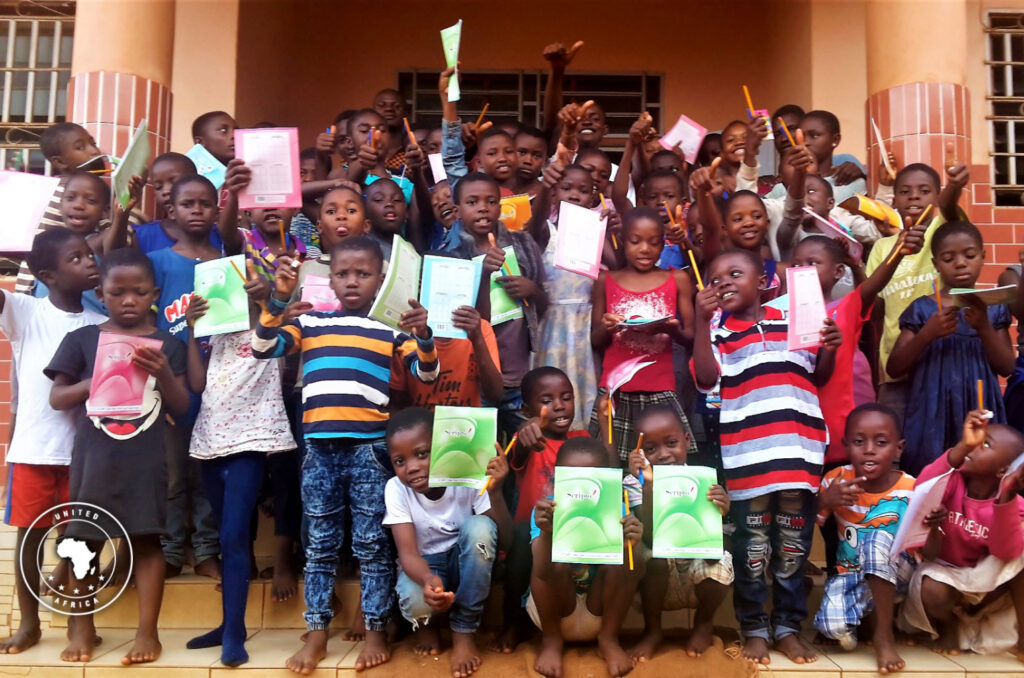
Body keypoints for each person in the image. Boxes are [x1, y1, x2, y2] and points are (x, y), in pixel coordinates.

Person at [252, 235, 439, 674]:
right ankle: (317, 634)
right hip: (319, 450)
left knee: (372, 545)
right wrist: (278, 299)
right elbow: (262, 347)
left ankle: (375, 632)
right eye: (343, 273)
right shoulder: (309, 324)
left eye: (363, 273)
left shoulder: (390, 331)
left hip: (370, 451)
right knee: (319, 546)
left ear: (380, 280)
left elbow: (426, 374)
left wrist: (424, 336)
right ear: (330, 279)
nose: (352, 281)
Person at [691, 248, 841, 664]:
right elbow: (706, 378)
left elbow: (819, 373)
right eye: (715, 278)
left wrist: (830, 346)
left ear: (763, 283)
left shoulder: (795, 320)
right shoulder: (720, 334)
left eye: (734, 273)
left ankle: (788, 628)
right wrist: (702, 322)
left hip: (799, 453)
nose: (724, 282)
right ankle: (754, 628)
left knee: (793, 548)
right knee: (751, 550)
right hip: (748, 459)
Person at [46, 247, 190, 665]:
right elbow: (57, 398)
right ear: (100, 293)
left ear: (155, 294)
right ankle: (83, 627)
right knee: (83, 540)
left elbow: (182, 406)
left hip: (147, 461)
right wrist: (94, 381)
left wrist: (163, 372)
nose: (129, 301)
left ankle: (148, 632)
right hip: (95, 460)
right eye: (117, 293)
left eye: (139, 292)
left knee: (146, 542)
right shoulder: (82, 340)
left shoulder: (168, 344)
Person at [182, 262, 295, 667]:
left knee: (232, 535)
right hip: (211, 442)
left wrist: (268, 297)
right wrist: (192, 329)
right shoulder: (212, 337)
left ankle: (232, 634)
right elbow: (197, 384)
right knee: (232, 536)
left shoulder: (270, 330)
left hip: (251, 444)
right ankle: (232, 624)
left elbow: (276, 317)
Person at [0, 230, 105, 657]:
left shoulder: (99, 324)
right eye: (76, 258)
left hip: (84, 455)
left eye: (89, 254)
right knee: (30, 540)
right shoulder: (26, 312)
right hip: (33, 450)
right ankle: (29, 623)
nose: (90, 261)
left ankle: (83, 625)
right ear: (48, 276)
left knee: (82, 541)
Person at [148, 171, 244, 583]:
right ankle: (170, 550)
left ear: (217, 210)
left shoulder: (228, 262)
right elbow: (146, 322)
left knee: (208, 473)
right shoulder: (158, 262)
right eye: (188, 204)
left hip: (219, 382)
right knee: (171, 473)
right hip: (171, 382)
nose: (197, 210)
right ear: (171, 210)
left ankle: (206, 551)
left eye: (206, 203)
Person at [384, 407, 511, 678]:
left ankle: (464, 630)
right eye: (400, 461)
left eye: (422, 454)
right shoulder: (396, 488)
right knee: (416, 600)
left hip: (463, 563)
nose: (412, 467)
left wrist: (496, 492)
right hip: (425, 566)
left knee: (480, 528)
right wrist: (428, 579)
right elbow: (407, 555)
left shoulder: (468, 476)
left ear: (443, 447)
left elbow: (505, 541)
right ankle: (426, 626)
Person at [886, 221, 1014, 475]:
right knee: (931, 475)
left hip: (979, 404)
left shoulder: (994, 307)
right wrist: (927, 333)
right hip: (931, 410)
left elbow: (1007, 366)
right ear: (936, 264)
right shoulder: (923, 309)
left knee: (981, 475)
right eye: (948, 258)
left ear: (983, 256)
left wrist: (984, 328)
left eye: (969, 255)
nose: (960, 263)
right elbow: (894, 367)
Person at [899, 410, 1024, 656]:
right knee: (932, 589)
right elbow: (923, 485)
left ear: (1002, 471)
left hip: (982, 581)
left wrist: (1007, 497)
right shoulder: (951, 481)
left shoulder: (1014, 504)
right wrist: (962, 446)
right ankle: (948, 624)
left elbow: (1005, 552)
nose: (974, 445)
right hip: (942, 571)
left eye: (985, 444)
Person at [864, 157, 969, 424]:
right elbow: (876, 310)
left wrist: (953, 187)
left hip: (942, 364)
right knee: (898, 441)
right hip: (896, 371)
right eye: (905, 191)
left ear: (937, 197)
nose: (914, 196)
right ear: (895, 200)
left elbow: (949, 207)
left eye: (925, 191)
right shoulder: (881, 247)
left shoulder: (943, 231)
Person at [528, 436, 644, 678]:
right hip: (555, 614)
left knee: (623, 560)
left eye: (592, 477)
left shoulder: (618, 510)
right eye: (572, 477)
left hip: (600, 614)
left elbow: (634, 573)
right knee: (553, 562)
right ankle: (551, 642)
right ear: (557, 479)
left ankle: (609, 640)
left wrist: (633, 544)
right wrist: (547, 533)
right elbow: (542, 572)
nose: (582, 486)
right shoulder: (546, 510)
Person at [813, 404, 916, 674]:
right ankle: (869, 619)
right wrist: (824, 501)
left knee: (876, 539)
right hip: (851, 572)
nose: (869, 450)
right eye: (859, 442)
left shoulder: (910, 488)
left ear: (898, 448)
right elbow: (802, 525)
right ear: (846, 446)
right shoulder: (836, 481)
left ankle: (884, 634)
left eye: (881, 442)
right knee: (831, 627)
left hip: (897, 572)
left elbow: (926, 548)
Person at [590, 207, 697, 464]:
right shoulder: (605, 280)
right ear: (622, 241)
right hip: (616, 388)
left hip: (660, 386)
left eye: (654, 242)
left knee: (666, 465)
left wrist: (668, 329)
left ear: (663, 243)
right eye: (635, 241)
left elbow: (690, 337)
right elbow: (595, 340)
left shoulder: (678, 278)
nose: (645, 249)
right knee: (612, 464)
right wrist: (607, 327)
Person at [626, 405, 733, 661]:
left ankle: (704, 623)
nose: (663, 455)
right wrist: (648, 484)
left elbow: (711, 537)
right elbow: (650, 536)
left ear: (687, 440)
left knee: (721, 556)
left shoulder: (702, 479)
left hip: (696, 572)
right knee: (651, 557)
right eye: (650, 449)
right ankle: (653, 630)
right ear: (637, 453)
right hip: (657, 578)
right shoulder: (633, 484)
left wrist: (722, 509)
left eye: (671, 443)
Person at [448, 171, 547, 438]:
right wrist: (483, 275)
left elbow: (544, 303)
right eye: (472, 202)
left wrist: (532, 290)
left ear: (500, 207)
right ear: (457, 211)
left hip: (517, 373)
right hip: (473, 378)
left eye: (491, 201)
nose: (483, 208)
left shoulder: (523, 244)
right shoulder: (449, 254)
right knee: (479, 453)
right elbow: (464, 322)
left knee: (528, 447)